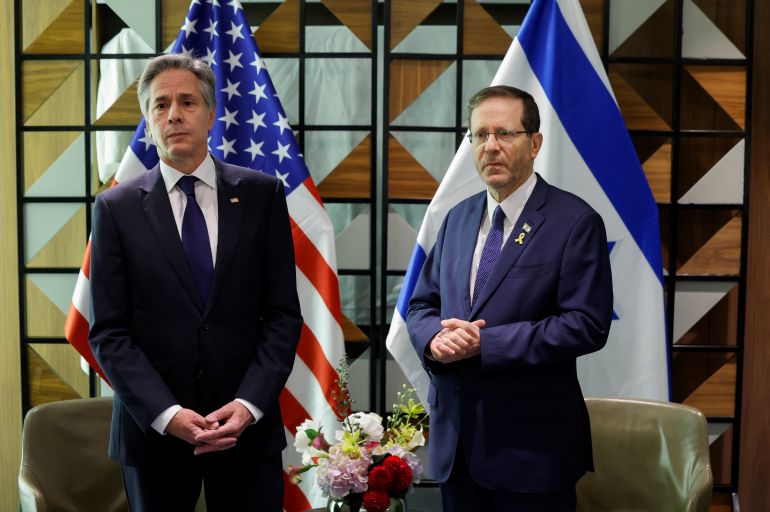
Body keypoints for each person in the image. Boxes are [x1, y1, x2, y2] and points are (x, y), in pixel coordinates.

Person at [88, 53, 302, 511]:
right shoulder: (115, 209)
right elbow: (109, 332)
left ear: (210, 115)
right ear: (148, 122)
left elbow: (282, 315)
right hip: (153, 436)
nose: (174, 115)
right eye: (160, 105)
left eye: (187, 101)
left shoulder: (262, 195)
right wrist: (169, 415)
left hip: (246, 433)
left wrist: (247, 405)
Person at [406, 85, 613, 511]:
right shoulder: (456, 218)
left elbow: (586, 325)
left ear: (535, 143)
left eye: (505, 134)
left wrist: (488, 344)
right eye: (480, 135)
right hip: (457, 448)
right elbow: (420, 304)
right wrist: (434, 340)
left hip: (531, 453)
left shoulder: (574, 221)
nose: (491, 147)